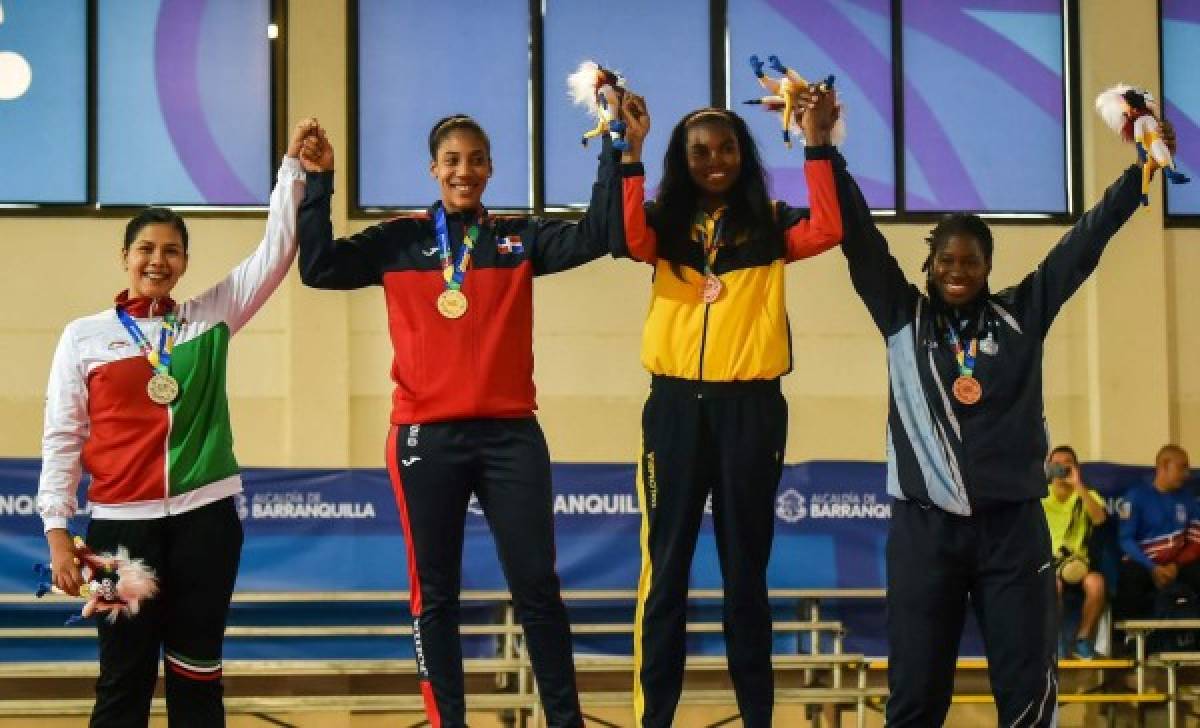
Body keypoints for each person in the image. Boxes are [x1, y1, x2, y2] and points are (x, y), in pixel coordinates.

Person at [831, 114, 1160, 726]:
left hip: (1012, 531)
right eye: (947, 262)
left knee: (1028, 691)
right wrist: (825, 150)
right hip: (923, 533)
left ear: (988, 267)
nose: (958, 272)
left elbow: (1081, 246)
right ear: (929, 267)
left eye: (971, 263)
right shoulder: (903, 319)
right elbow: (859, 238)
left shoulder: (1021, 314)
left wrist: (1136, 175)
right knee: (914, 695)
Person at [295, 116, 623, 728]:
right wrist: (318, 183)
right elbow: (317, 266)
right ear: (433, 169)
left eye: (475, 160)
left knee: (538, 589)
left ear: (490, 168)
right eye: (451, 160)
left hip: (511, 436)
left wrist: (614, 148)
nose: (463, 171)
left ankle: (565, 720)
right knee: (436, 595)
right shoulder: (398, 240)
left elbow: (599, 235)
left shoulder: (515, 239)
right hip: (426, 437)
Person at [36, 119, 316, 727]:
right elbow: (62, 437)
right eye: (145, 249)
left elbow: (276, 251)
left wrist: (291, 171)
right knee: (123, 677)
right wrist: (58, 529)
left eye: (170, 250)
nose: (157, 260)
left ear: (184, 261)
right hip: (117, 539)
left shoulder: (210, 318)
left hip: (206, 526)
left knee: (197, 674)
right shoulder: (84, 337)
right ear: (125, 258)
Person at [612, 90, 843, 728]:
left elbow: (830, 226)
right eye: (700, 151)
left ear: (744, 154)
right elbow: (626, 237)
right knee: (666, 577)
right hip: (675, 409)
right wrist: (628, 153)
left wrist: (818, 142)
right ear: (681, 160)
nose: (715, 160)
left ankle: (756, 718)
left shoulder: (770, 222)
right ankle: (653, 718)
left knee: (745, 578)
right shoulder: (662, 223)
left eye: (727, 147)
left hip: (752, 410)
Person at [1115, 444, 1200, 618]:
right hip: (1144, 564)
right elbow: (1125, 539)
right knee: (1131, 578)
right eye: (1182, 467)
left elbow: (1196, 541)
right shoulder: (1135, 496)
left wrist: (1175, 566)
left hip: (1177, 565)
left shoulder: (1188, 500)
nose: (1187, 474)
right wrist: (1153, 568)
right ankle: (1132, 639)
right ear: (1163, 466)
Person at [1041, 444, 1108, 658]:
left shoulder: (1088, 495)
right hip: (1048, 564)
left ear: (1076, 468)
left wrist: (1078, 485)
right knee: (1053, 585)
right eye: (1056, 465)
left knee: (1096, 583)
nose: (1061, 470)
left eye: (1066, 465)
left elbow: (1099, 519)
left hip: (1078, 565)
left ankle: (1084, 639)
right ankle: (1055, 642)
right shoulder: (1040, 496)